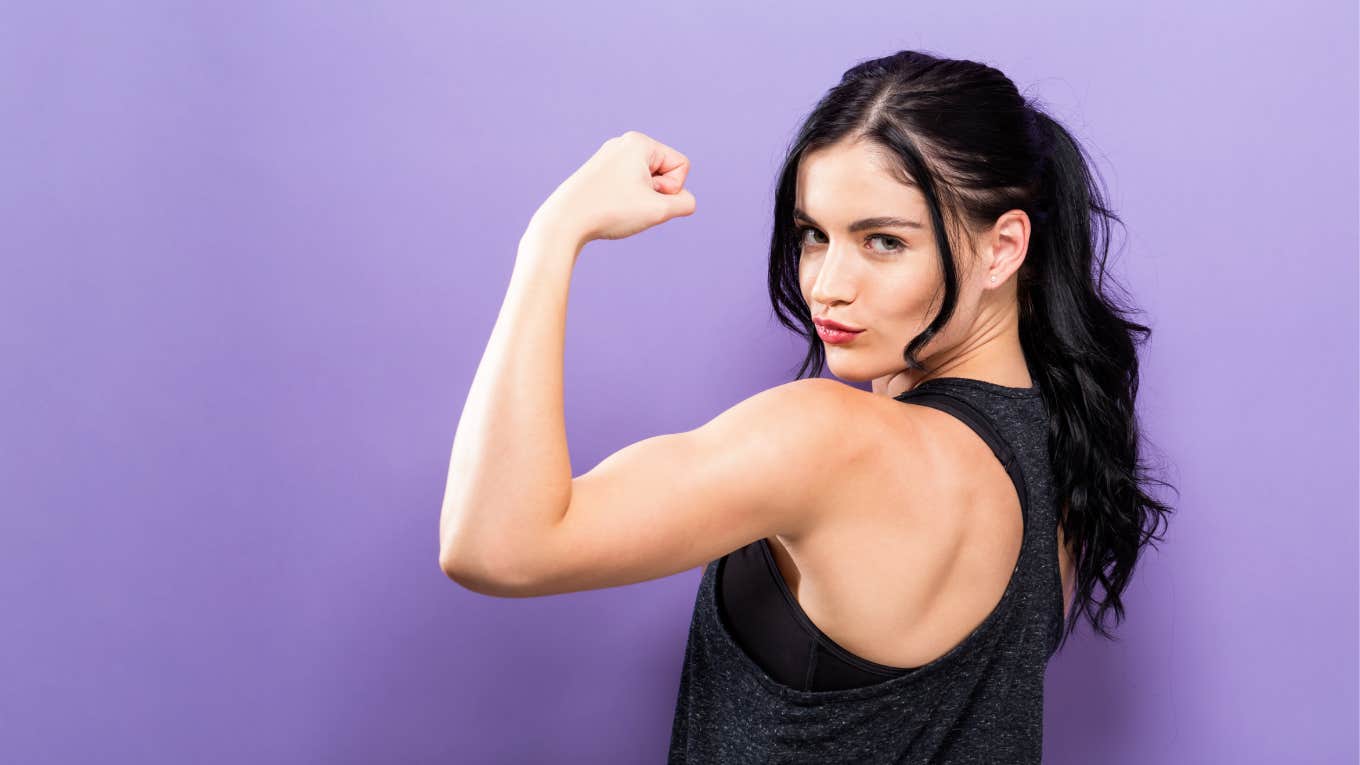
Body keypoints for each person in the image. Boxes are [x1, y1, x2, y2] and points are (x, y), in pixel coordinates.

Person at [438, 48, 1175, 763]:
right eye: (813, 235)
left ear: (1003, 247)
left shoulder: (833, 440)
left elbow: (495, 544)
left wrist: (553, 233)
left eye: (883, 241)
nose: (827, 283)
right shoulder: (1059, 453)